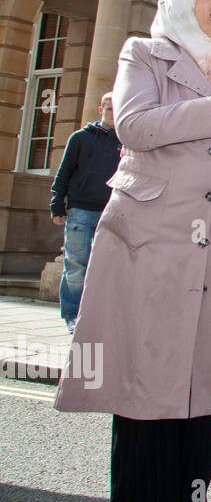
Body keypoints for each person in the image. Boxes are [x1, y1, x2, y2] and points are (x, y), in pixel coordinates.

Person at [53, 0, 211, 502]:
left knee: (205, 372)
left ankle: (188, 499)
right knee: (146, 369)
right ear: (180, 4)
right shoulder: (144, 53)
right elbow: (133, 126)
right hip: (153, 236)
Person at [49, 92, 120, 332]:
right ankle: (72, 315)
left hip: (112, 211)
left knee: (105, 267)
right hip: (80, 210)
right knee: (76, 265)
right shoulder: (80, 138)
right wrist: (57, 204)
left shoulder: (126, 142)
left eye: (116, 108)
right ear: (100, 110)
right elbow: (64, 172)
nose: (113, 113)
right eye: (109, 109)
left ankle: (96, 316)